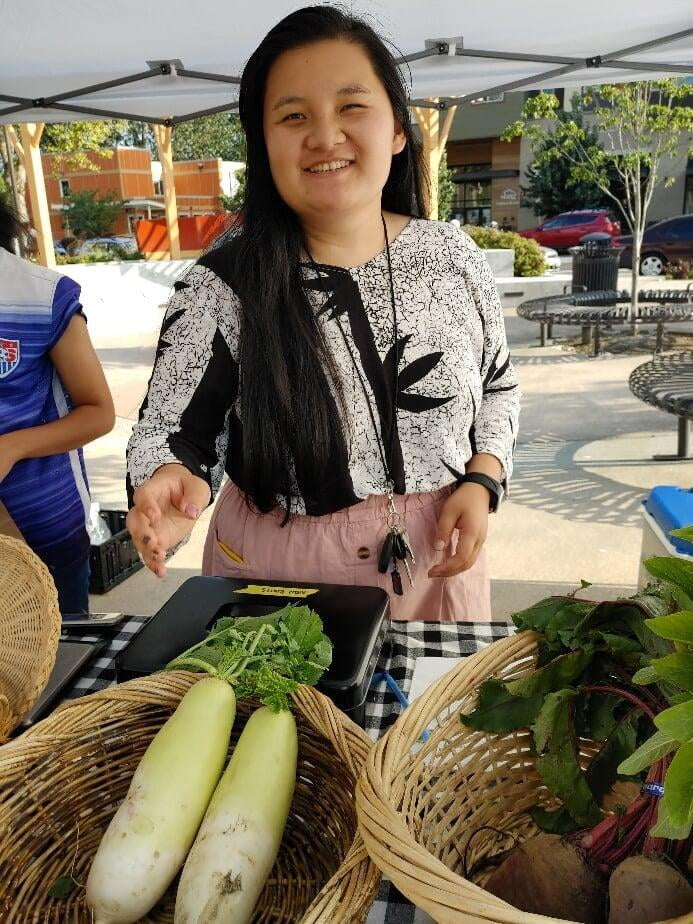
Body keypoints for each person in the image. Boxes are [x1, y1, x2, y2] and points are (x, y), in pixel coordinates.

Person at [126, 5, 520, 622]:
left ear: (397, 128)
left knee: (426, 719)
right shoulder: (220, 285)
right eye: (293, 116)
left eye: (352, 106)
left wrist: (483, 480)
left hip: (436, 551)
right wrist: (171, 480)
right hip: (278, 573)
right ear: (264, 145)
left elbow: (497, 385)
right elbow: (174, 431)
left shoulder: (453, 256)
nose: (325, 135)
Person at [0, 200, 115, 613]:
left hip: (46, 534)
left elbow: (98, 411)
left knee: (62, 667)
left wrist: (11, 447)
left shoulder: (40, 296)